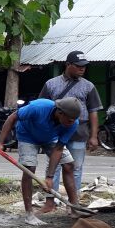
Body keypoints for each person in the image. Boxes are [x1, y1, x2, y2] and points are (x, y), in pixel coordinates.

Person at [0, 97, 82, 226]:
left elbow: (58, 149)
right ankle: (29, 214)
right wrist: (0, 143)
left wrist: (50, 177)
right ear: (60, 113)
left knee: (69, 165)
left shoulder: (73, 122)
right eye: (69, 120)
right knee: (29, 169)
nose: (72, 122)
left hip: (50, 138)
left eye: (73, 120)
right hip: (27, 135)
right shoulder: (38, 107)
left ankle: (75, 207)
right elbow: (13, 117)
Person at [38, 50, 102, 211]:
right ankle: (50, 200)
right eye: (79, 66)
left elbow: (93, 111)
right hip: (55, 130)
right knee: (54, 166)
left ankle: (73, 203)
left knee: (75, 167)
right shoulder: (51, 84)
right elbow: (42, 108)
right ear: (68, 65)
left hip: (79, 131)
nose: (82, 69)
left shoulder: (88, 86)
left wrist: (94, 136)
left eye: (84, 67)